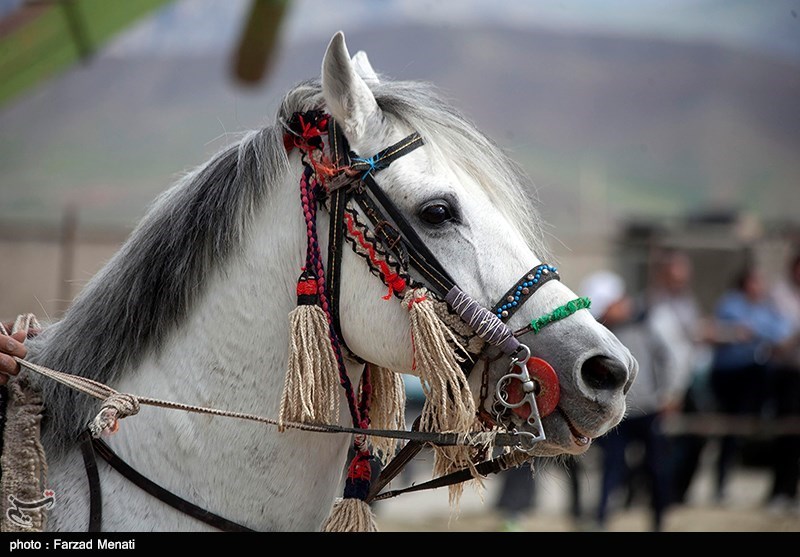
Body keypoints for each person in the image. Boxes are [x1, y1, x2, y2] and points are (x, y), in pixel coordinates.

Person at [581, 270, 682, 531]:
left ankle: (659, 519)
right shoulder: (600, 333)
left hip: (649, 410)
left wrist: (669, 394)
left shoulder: (647, 324)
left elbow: (669, 359)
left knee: (656, 469)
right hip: (616, 414)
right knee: (611, 467)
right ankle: (601, 519)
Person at [707, 263, 792, 503]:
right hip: (731, 377)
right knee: (729, 431)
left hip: (754, 378)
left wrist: (758, 333)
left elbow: (779, 333)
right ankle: (720, 485)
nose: (759, 286)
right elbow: (745, 329)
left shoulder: (765, 308)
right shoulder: (731, 304)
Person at [765, 248, 800, 512]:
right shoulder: (779, 296)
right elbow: (776, 340)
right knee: (787, 435)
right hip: (789, 374)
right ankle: (780, 492)